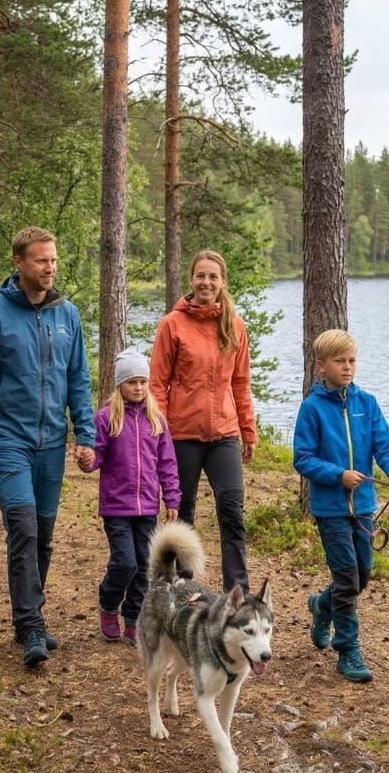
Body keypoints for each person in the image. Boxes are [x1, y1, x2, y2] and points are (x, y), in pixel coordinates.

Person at [0, 226, 95, 668]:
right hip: (8, 441)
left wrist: (86, 435)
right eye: (41, 261)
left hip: (52, 443)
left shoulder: (67, 314)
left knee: (44, 535)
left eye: (53, 260)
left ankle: (25, 618)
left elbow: (78, 380)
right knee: (23, 527)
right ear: (19, 263)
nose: (50, 268)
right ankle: (32, 624)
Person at [293, 329, 389, 684]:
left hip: (362, 508)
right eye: (339, 361)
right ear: (321, 366)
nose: (347, 368)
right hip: (330, 509)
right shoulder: (312, 408)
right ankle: (348, 649)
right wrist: (337, 475)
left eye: (351, 361)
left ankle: (322, 606)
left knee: (361, 574)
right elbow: (302, 458)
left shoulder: (367, 404)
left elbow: (385, 447)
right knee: (346, 577)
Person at [149, 250, 257, 593]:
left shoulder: (234, 324)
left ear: (222, 281)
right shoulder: (172, 324)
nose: (206, 282)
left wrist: (247, 429)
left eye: (213, 276)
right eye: (201, 276)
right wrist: (160, 433)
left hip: (224, 435)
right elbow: (157, 384)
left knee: (232, 514)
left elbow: (240, 382)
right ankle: (181, 590)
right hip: (181, 435)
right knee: (182, 516)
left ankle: (236, 595)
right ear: (191, 280)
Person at [78, 349, 180, 645]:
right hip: (116, 506)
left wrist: (172, 498)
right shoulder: (107, 417)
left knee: (144, 563)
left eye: (142, 382)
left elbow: (167, 463)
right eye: (131, 382)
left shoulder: (156, 419)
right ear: (119, 384)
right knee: (125, 562)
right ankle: (109, 604)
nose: (138, 387)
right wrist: (87, 459)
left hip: (147, 506)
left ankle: (134, 617)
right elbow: (96, 456)